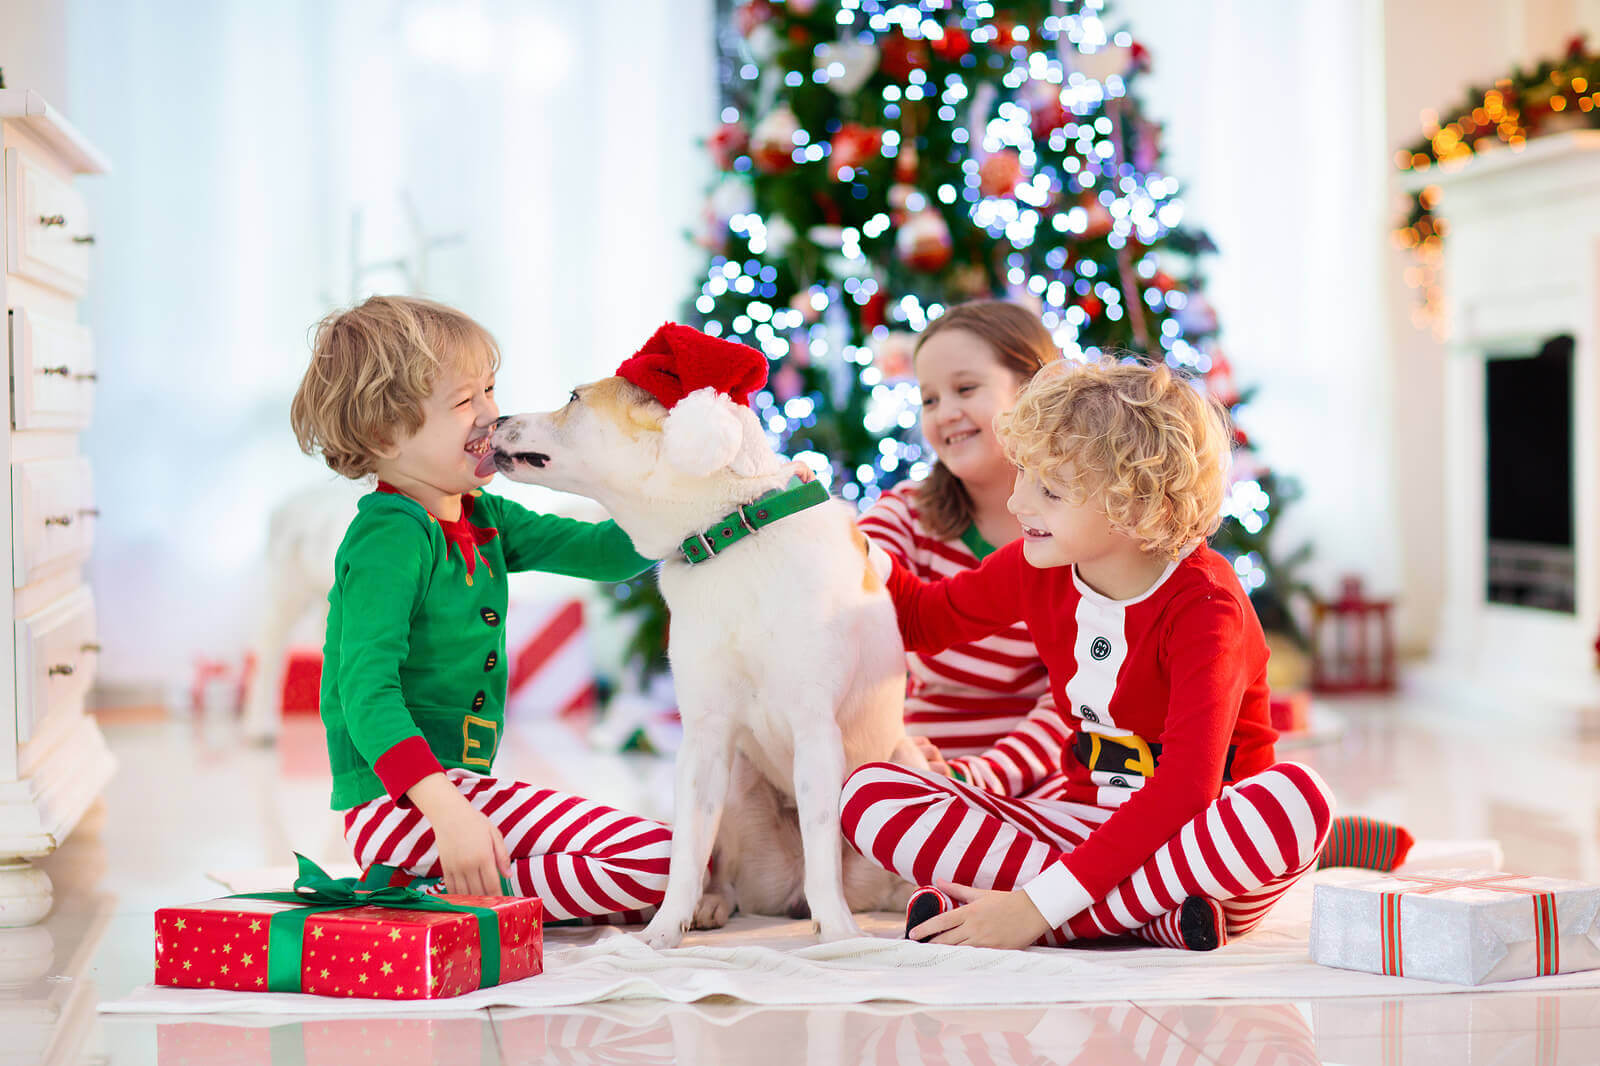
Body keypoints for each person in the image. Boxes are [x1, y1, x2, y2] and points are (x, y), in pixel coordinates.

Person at [842, 357, 1335, 951]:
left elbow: (1185, 792)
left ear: (1133, 503)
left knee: (1296, 802)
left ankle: (1046, 917)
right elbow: (923, 619)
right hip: (1080, 822)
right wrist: (841, 537)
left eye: (1049, 489)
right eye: (1023, 474)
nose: (1019, 503)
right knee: (870, 794)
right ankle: (1149, 918)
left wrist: (1034, 908)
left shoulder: (1207, 604)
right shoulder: (1036, 565)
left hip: (1198, 831)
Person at [290, 295, 669, 920]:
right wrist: (449, 813)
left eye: (491, 390)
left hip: (455, 798)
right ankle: (429, 892)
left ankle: (447, 889)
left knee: (664, 863)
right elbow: (367, 697)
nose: (493, 415)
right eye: (466, 401)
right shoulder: (388, 540)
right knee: (657, 864)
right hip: (400, 808)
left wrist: (684, 504)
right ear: (388, 433)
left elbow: (604, 552)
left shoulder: (482, 515)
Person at [857, 301, 1064, 796]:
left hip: (1037, 778)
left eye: (965, 389)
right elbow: (850, 559)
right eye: (928, 399)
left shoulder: (1081, 534)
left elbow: (1075, 705)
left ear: (1035, 393)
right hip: (915, 770)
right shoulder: (908, 514)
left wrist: (972, 778)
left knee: (1091, 818)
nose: (945, 413)